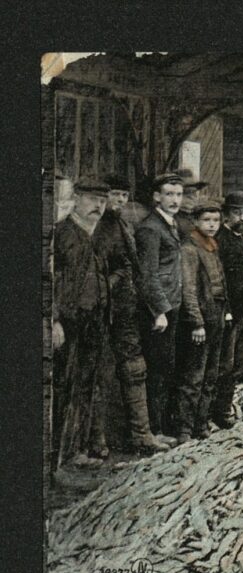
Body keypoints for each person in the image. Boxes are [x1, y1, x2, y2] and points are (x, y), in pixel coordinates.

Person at [90, 174, 169, 456]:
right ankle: (97, 441)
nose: (120, 201)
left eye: (124, 195)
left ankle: (141, 435)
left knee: (135, 370)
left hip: (126, 310)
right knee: (102, 374)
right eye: (115, 195)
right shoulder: (96, 228)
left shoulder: (124, 224)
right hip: (102, 312)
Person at [51, 178, 112, 476]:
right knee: (65, 388)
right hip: (70, 323)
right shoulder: (62, 234)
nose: (97, 206)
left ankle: (77, 451)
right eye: (91, 199)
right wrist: (54, 321)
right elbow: (49, 281)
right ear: (76, 199)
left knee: (86, 387)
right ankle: (60, 460)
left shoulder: (93, 235)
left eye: (102, 201)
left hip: (93, 322)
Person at [134, 172, 186, 441]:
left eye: (178, 194)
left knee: (167, 368)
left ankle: (162, 427)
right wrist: (159, 311)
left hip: (172, 305)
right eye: (169, 194)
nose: (175, 200)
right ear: (157, 197)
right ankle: (153, 430)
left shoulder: (171, 224)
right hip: (159, 312)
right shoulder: (150, 229)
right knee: (157, 370)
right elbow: (147, 275)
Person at [175, 200, 228, 442]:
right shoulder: (189, 248)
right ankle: (185, 428)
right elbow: (188, 288)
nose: (212, 225)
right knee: (193, 376)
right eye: (207, 220)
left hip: (216, 316)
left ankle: (201, 423)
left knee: (210, 375)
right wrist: (196, 322)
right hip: (201, 321)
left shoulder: (212, 246)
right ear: (195, 222)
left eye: (216, 220)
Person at [211, 191, 243, 428]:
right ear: (226, 215)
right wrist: (227, 309)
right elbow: (218, 280)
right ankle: (218, 411)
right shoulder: (221, 240)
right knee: (225, 364)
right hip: (230, 311)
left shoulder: (242, 239)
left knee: (241, 360)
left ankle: (225, 405)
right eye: (238, 213)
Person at [173, 168, 209, 237]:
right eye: (187, 193)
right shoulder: (171, 219)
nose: (192, 197)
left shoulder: (196, 216)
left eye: (194, 192)